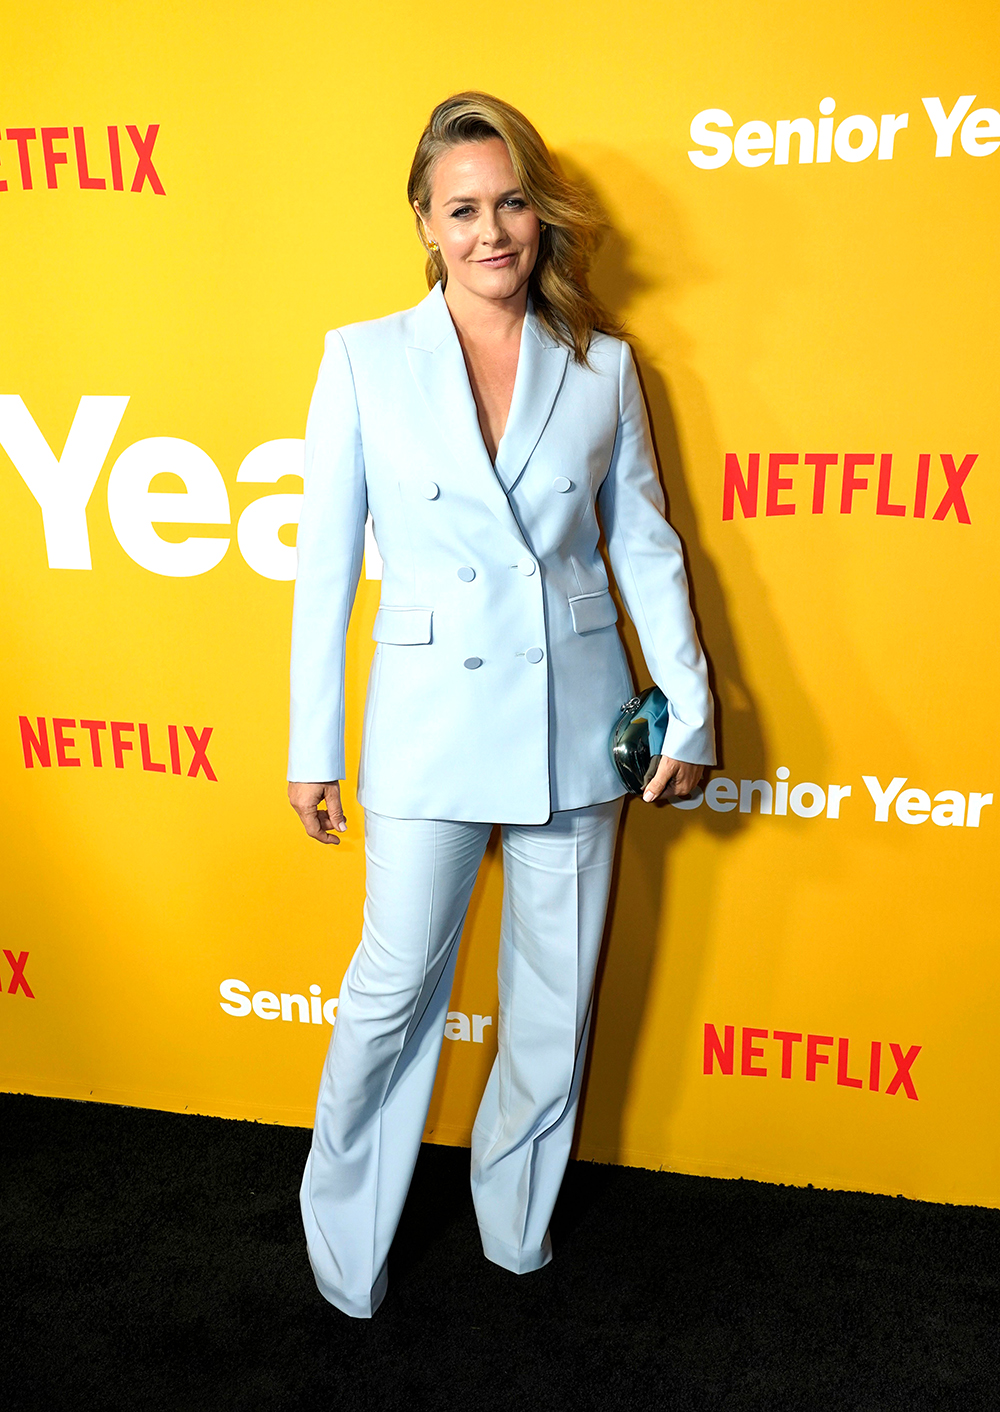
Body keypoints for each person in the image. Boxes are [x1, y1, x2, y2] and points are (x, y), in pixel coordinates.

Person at [286, 91, 716, 1319]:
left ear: (542, 213)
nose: (491, 230)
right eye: (463, 208)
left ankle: (514, 1230)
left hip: (575, 723)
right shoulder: (363, 356)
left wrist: (684, 705)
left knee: (550, 1000)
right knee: (392, 985)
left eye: (511, 201)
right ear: (425, 222)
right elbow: (326, 565)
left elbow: (642, 542)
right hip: (427, 721)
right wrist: (313, 741)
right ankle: (344, 1246)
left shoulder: (606, 365)